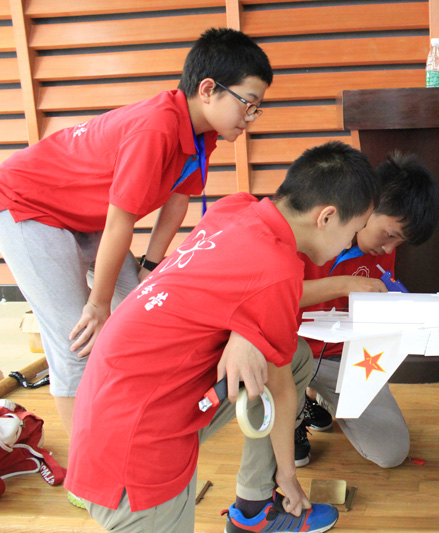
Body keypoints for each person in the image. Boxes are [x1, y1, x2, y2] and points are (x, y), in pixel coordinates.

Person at [65, 141, 381, 533]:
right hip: (138, 457)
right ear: (327, 217)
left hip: (105, 410)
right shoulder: (277, 271)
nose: (350, 243)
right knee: (280, 370)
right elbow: (281, 390)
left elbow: (223, 286)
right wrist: (287, 476)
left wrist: (243, 331)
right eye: (353, 231)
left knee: (295, 355)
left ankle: (254, 510)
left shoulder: (235, 207)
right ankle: (265, 498)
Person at [0, 27, 273, 461]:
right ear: (208, 90)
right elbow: (120, 223)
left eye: (257, 108)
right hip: (30, 210)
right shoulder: (156, 127)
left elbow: (177, 200)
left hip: (89, 218)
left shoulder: (202, 134)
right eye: (249, 103)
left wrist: (150, 266)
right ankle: (87, 470)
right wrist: (97, 304)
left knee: (149, 306)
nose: (251, 116)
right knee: (77, 340)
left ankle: (133, 420)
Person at [295, 152, 439, 469]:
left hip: (343, 356)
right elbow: (272, 296)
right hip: (289, 353)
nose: (389, 249)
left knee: (391, 453)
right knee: (294, 455)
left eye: (399, 242)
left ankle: (316, 395)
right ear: (367, 206)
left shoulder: (381, 249)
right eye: (389, 235)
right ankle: (296, 409)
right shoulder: (306, 231)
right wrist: (342, 284)